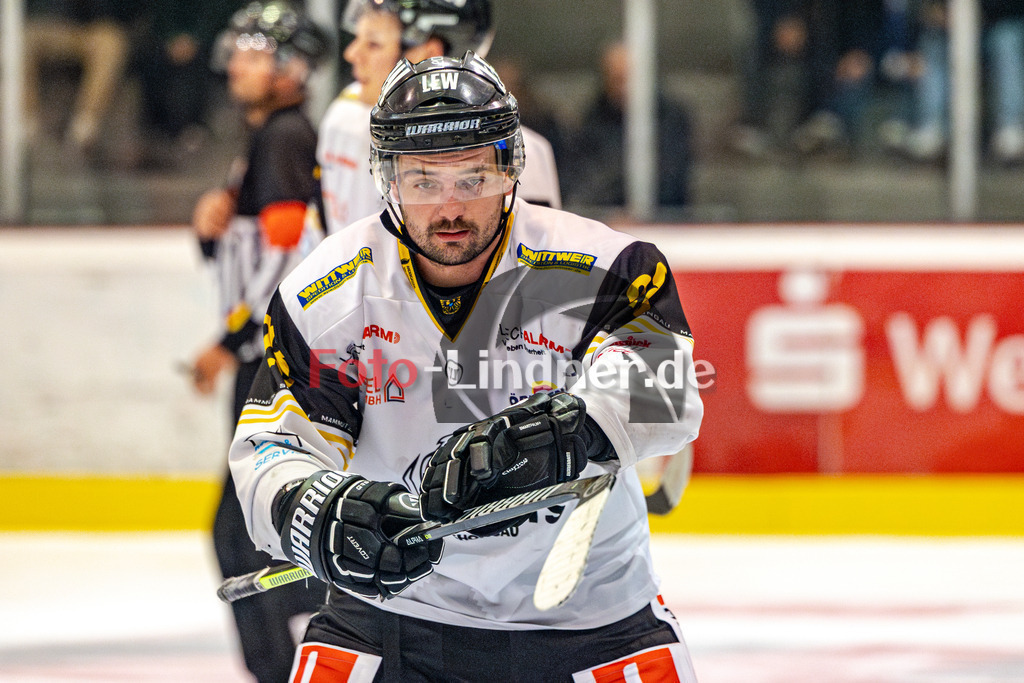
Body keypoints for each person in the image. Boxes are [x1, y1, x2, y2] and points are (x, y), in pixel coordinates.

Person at [228, 52, 704, 681]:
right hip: (388, 613)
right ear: (387, 179)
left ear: (510, 169)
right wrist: (317, 513)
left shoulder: (600, 266)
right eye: (424, 182)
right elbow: (271, 445)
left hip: (590, 619)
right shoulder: (326, 292)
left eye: (472, 178)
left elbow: (665, 391)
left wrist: (568, 431)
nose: (449, 208)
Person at [186, 2, 329, 681]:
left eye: (255, 51)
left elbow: (286, 264)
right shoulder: (271, 138)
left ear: (291, 66)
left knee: (241, 530)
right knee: (248, 528)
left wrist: (230, 337)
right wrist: (211, 230)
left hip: (271, 363)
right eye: (238, 50)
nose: (238, 63)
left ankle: (287, 664)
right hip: (265, 360)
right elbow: (255, 255)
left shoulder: (283, 137)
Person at [317, 0, 560, 237]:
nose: (351, 53)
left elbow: (525, 266)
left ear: (428, 54)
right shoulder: (344, 117)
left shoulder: (507, 145)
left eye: (373, 44)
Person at [560, 41, 693, 210]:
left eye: (631, 79)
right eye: (617, 80)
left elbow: (670, 179)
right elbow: (580, 179)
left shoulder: (672, 118)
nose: (625, 88)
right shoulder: (592, 120)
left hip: (666, 221)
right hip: (605, 222)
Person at [897, 0, 1024, 164]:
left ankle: (1010, 127)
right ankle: (932, 128)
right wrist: (940, 12)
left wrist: (979, 14)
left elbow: (1015, 6)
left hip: (997, 25)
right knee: (933, 40)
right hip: (951, 30)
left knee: (1006, 40)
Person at [22, 0, 135, 155]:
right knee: (20, 39)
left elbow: (125, 13)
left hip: (93, 28)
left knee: (111, 43)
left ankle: (83, 131)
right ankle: (24, 125)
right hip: (50, 24)